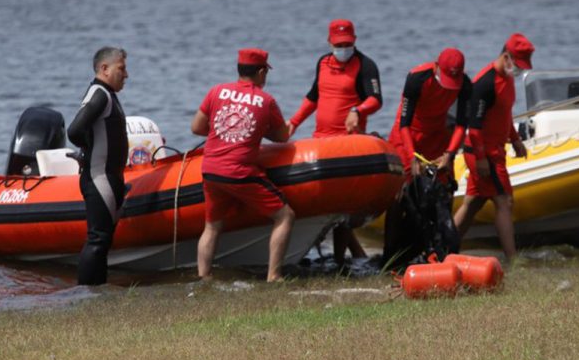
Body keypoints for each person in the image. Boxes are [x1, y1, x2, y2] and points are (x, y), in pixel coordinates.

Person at [191, 48, 294, 282]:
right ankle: (274, 276)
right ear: (260, 72)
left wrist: (224, 131)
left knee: (212, 226)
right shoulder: (266, 101)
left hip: (210, 170)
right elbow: (282, 137)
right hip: (239, 172)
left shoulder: (216, 91)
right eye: (265, 72)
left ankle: (203, 277)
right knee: (285, 216)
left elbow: (196, 127)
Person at [287, 19, 383, 264]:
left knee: (343, 208)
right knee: (327, 208)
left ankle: (341, 261)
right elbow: (313, 96)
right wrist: (294, 122)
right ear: (329, 42)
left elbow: (376, 100)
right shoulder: (322, 63)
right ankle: (351, 255)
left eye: (348, 44)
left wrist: (357, 111)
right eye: (339, 44)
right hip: (322, 142)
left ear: (355, 41)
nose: (343, 48)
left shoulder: (365, 65)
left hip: (348, 146)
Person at [383, 48, 472, 264]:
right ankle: (390, 254)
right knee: (400, 193)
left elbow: (461, 124)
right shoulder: (417, 79)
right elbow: (404, 123)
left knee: (443, 188)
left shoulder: (465, 84)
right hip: (408, 134)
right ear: (436, 67)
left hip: (437, 136)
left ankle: (437, 251)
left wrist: (450, 155)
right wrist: (412, 156)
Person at [452, 33, 536, 262]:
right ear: (506, 57)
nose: (519, 71)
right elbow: (475, 127)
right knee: (504, 201)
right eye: (517, 65)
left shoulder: (507, 79)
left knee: (473, 202)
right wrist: (480, 159)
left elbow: (504, 114)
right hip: (483, 153)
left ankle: (445, 249)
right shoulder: (485, 83)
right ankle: (512, 259)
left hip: (496, 151)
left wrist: (515, 139)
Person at [68, 46, 129, 286]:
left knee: (103, 240)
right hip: (99, 177)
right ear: (104, 69)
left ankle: (98, 293)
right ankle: (86, 295)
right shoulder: (100, 93)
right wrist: (88, 150)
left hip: (109, 177)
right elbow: (74, 130)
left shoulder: (107, 94)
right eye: (121, 68)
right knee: (98, 239)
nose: (126, 75)